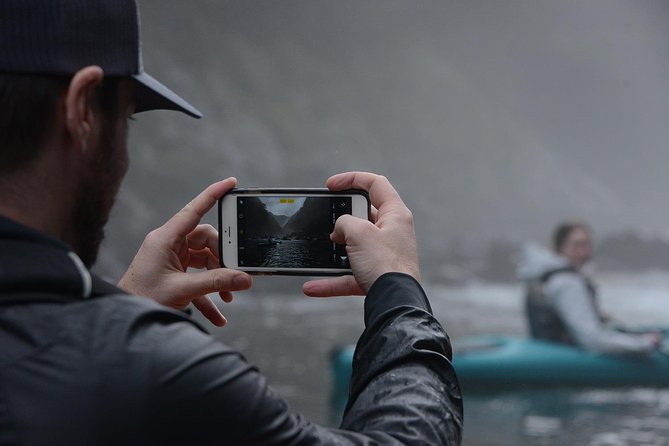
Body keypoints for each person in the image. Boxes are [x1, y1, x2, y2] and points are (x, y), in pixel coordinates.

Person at [0, 1, 462, 445]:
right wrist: (400, 293)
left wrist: (127, 309)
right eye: (126, 117)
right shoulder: (161, 374)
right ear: (82, 110)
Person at [517, 221, 661, 355]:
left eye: (587, 244)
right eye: (577, 245)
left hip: (554, 348)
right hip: (567, 355)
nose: (584, 251)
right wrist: (645, 343)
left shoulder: (554, 277)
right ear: (560, 248)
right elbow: (592, 340)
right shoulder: (567, 283)